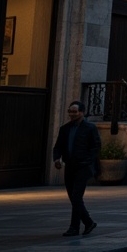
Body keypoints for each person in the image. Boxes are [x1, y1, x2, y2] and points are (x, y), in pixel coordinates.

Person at [53, 100, 100, 237]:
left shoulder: (90, 128)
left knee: (76, 196)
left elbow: (96, 146)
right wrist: (57, 159)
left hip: (83, 167)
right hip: (70, 166)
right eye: (70, 111)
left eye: (75, 111)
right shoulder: (65, 129)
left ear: (82, 113)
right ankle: (89, 222)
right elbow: (58, 147)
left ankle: (74, 227)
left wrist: (88, 161)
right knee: (73, 198)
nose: (72, 114)